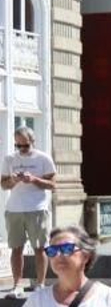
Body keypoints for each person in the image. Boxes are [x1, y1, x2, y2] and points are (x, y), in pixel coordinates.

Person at [3, 126, 55, 296]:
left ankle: (40, 284)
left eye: (25, 145)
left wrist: (33, 179)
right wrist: (14, 180)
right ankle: (17, 285)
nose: (21, 149)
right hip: (14, 209)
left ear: (33, 142)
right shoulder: (9, 159)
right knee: (16, 248)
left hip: (37, 208)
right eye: (18, 146)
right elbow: (3, 185)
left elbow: (53, 185)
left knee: (39, 247)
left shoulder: (43, 159)